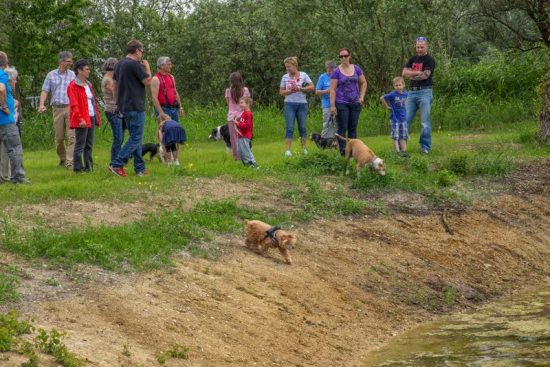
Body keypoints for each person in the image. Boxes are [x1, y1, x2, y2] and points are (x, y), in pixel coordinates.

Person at [109, 40, 152, 177]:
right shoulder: (135, 65)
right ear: (137, 50)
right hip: (135, 105)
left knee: (135, 138)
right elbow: (148, 82)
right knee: (136, 137)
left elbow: (114, 85)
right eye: (142, 51)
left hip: (124, 106)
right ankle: (116, 164)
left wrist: (117, 102)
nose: (142, 54)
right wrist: (147, 67)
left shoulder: (119, 64)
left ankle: (139, 168)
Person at [38, 51, 76, 168]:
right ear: (61, 61)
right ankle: (63, 158)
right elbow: (45, 90)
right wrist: (41, 104)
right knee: (59, 138)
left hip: (70, 107)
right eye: (69, 61)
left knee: (72, 136)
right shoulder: (51, 75)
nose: (71, 63)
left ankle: (70, 162)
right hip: (57, 109)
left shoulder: (73, 75)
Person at [330, 48, 367, 156]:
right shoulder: (336, 72)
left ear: (350, 56)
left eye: (345, 56)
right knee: (342, 127)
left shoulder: (356, 69)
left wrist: (362, 97)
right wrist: (332, 106)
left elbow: (364, 82)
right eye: (341, 56)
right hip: (341, 102)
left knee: (353, 127)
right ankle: (343, 151)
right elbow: (332, 89)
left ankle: (353, 151)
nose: (343, 58)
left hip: (355, 102)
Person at [402, 36, 436, 154]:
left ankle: (425, 147)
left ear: (426, 46)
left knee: (424, 122)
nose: (419, 49)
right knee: (404, 120)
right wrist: (416, 73)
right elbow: (404, 73)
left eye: (422, 47)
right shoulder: (412, 59)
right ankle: (402, 147)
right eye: (418, 47)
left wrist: (411, 75)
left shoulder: (430, 60)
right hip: (411, 92)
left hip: (425, 92)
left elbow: (425, 75)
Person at [67, 59, 101, 173]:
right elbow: (74, 104)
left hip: (90, 116)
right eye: (87, 69)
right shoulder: (73, 86)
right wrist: (80, 118)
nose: (89, 71)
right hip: (81, 118)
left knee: (89, 144)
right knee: (80, 144)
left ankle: (89, 167)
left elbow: (93, 102)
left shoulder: (88, 84)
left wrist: (97, 118)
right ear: (79, 71)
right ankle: (77, 168)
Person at [0, 51, 27, 184]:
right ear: (5, 63)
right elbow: (1, 89)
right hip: (5, 120)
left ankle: (1, 177)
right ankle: (17, 177)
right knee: (15, 148)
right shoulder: (2, 75)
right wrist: (4, 106)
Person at [279, 56, 314, 157]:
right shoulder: (285, 77)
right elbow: (281, 92)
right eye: (286, 67)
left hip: (302, 104)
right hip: (289, 104)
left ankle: (304, 149)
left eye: (289, 67)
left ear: (295, 65)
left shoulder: (304, 74)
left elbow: (312, 87)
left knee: (302, 127)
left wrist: (301, 89)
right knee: (289, 127)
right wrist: (290, 91)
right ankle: (287, 151)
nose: (288, 69)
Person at [101, 57, 125, 163]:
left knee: (120, 136)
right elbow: (117, 93)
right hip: (112, 110)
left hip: (115, 110)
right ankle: (114, 161)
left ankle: (118, 159)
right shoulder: (108, 80)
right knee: (118, 137)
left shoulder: (109, 78)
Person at [381, 76, 409, 157]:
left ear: (403, 85)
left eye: (399, 85)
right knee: (395, 136)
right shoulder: (392, 94)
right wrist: (387, 106)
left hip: (403, 119)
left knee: (403, 135)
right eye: (396, 85)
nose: (398, 87)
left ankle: (404, 151)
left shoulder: (405, 94)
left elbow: (408, 101)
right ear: (394, 86)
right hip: (395, 119)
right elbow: (382, 98)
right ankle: (397, 152)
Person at [225, 72, 250, 160]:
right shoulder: (245, 90)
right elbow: (248, 104)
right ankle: (245, 154)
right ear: (240, 80)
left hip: (231, 117)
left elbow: (228, 104)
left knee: (233, 138)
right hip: (243, 116)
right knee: (244, 136)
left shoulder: (228, 91)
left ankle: (236, 156)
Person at [151, 56, 184, 122]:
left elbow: (175, 92)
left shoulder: (171, 77)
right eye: (168, 64)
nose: (171, 66)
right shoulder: (155, 79)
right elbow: (154, 98)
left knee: (176, 129)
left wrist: (180, 107)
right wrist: (161, 113)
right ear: (162, 66)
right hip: (164, 109)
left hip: (174, 108)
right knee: (164, 130)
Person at [315, 60, 336, 139]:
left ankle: (337, 142)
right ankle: (324, 142)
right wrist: (327, 91)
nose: (330, 70)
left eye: (332, 68)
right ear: (326, 68)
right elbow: (317, 91)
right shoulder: (322, 77)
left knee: (337, 124)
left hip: (338, 103)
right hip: (327, 104)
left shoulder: (338, 76)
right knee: (327, 123)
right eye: (328, 68)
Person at [234, 96, 256, 167]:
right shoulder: (244, 113)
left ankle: (253, 163)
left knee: (246, 150)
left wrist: (237, 123)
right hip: (241, 135)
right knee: (240, 151)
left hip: (245, 136)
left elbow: (247, 126)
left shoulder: (248, 114)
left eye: (242, 103)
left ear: (248, 104)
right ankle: (247, 164)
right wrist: (237, 120)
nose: (240, 104)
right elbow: (241, 124)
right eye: (239, 103)